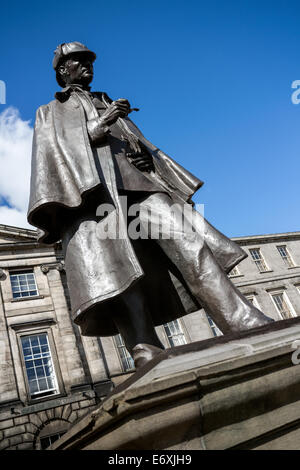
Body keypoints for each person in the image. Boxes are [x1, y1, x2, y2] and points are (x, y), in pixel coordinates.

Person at [27, 42, 273, 368]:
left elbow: (138, 148)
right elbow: (56, 157)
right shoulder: (51, 111)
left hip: (143, 189)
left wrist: (142, 154)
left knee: (191, 246)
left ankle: (242, 320)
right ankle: (147, 352)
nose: (88, 65)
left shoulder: (105, 100)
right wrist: (102, 123)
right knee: (123, 277)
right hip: (97, 202)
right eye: (79, 61)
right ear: (62, 70)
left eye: (89, 60)